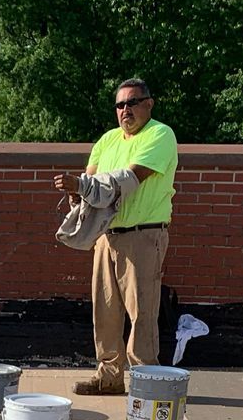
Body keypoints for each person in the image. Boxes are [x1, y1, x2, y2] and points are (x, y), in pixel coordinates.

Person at [53, 78, 178, 395]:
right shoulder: (107, 141)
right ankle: (109, 378)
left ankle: (145, 383)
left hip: (143, 236)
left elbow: (129, 179)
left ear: (149, 104)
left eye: (133, 102)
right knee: (105, 311)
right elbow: (90, 183)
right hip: (106, 236)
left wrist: (81, 186)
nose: (126, 110)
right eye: (120, 105)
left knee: (142, 315)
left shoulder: (160, 135)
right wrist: (75, 194)